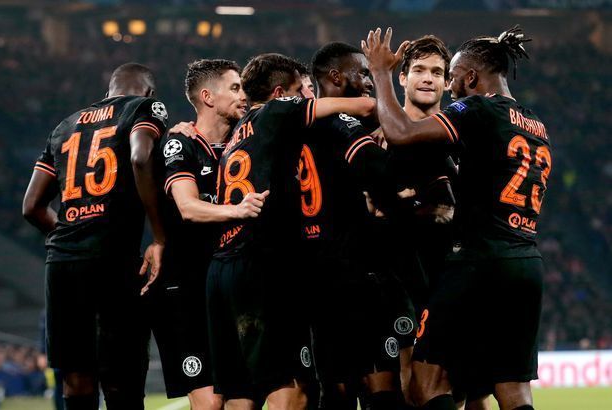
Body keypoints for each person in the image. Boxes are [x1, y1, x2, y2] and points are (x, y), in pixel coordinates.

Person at [363, 26, 551, 410]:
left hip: (476, 262)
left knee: (426, 381)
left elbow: (400, 132)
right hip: (526, 262)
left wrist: (380, 72)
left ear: (470, 77)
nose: (448, 88)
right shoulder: (535, 124)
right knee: (512, 387)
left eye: (450, 77)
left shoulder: (479, 108)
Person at [206, 52, 375, 409]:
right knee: (295, 389)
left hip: (222, 267)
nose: (308, 96)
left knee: (241, 395)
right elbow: (362, 107)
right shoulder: (278, 112)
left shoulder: (238, 132)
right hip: (261, 265)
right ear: (283, 93)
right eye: (302, 90)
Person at [22, 63, 167, 410]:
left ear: (108, 91)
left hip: (62, 263)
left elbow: (31, 207)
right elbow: (141, 156)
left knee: (76, 383)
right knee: (123, 381)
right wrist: (160, 237)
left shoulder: (64, 125)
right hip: (113, 260)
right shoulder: (143, 108)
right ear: (149, 92)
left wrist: (71, 235)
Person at [149, 59, 269, 410]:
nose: (243, 95)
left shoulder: (241, 143)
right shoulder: (179, 144)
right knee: (209, 404)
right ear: (207, 96)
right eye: (234, 88)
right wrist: (238, 210)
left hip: (229, 287)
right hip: (184, 289)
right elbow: (187, 207)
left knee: (242, 402)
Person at [305, 41, 410, 410]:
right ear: (335, 77)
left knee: (336, 388)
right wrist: (399, 197)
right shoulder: (341, 122)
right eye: (361, 72)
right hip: (353, 274)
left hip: (316, 275)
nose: (366, 80)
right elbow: (376, 171)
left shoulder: (295, 124)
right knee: (381, 386)